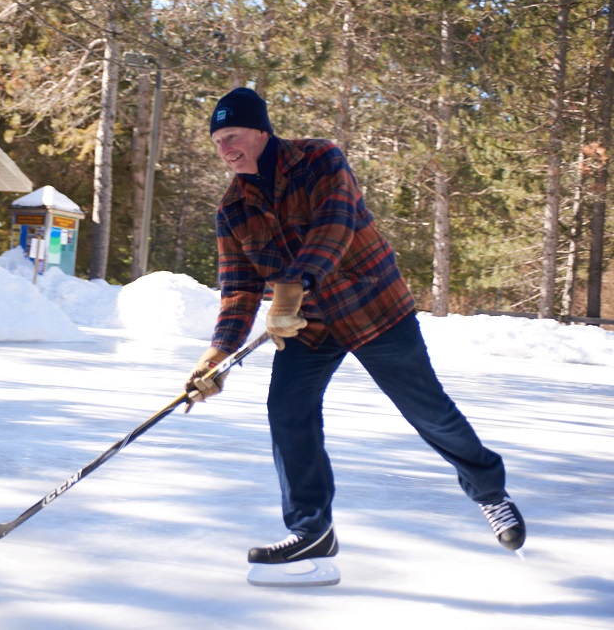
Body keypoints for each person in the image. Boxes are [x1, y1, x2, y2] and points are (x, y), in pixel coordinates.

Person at [185, 87, 525, 566]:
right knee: (287, 410)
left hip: (372, 305)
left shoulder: (318, 157)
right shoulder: (232, 210)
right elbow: (238, 289)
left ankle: (490, 491)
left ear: (262, 131)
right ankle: (311, 529)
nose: (225, 149)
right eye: (217, 141)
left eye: (233, 135)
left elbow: (336, 222)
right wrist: (217, 353)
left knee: (428, 410)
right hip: (309, 325)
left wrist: (293, 283)